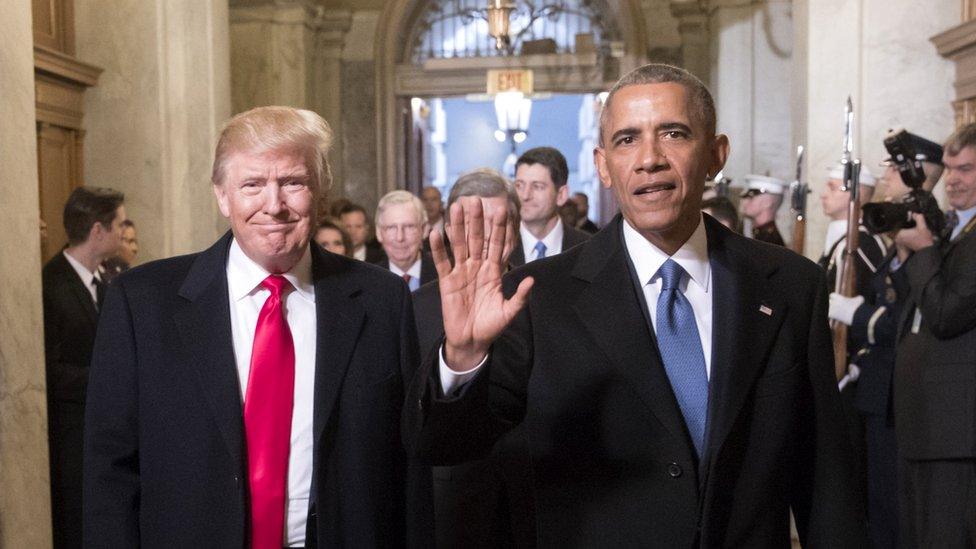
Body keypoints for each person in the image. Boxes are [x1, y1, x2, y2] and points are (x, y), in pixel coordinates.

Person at [405, 63, 866, 546]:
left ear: (716, 154)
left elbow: (825, 479)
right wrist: (461, 358)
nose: (650, 159)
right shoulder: (538, 294)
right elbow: (443, 444)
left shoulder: (790, 285)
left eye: (673, 133)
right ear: (604, 165)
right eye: (627, 140)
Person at [84, 106, 428, 548]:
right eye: (252, 185)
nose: (274, 205)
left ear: (319, 192)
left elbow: (410, 468)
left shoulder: (382, 300)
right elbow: (108, 474)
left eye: (293, 183)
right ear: (222, 196)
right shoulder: (142, 303)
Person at [827, 131, 944, 549]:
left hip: (903, 395)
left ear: (921, 173)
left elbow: (907, 314)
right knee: (874, 502)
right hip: (876, 391)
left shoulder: (929, 232)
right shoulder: (898, 233)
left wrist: (855, 315)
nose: (888, 174)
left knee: (894, 508)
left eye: (896, 167)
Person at [412, 168, 532, 548]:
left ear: (514, 228)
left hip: (540, 503)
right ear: (448, 229)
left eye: (495, 224)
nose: (482, 241)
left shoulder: (550, 295)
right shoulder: (414, 308)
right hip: (449, 505)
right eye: (469, 226)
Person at [894, 122, 976, 547]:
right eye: (949, 167)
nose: (953, 179)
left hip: (957, 429)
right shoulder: (954, 228)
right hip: (926, 423)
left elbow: (947, 314)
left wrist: (925, 251)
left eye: (966, 169)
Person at [42, 185, 126, 549]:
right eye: (119, 225)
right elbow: (47, 369)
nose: (124, 232)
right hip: (69, 439)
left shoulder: (106, 280)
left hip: (101, 433)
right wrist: (105, 381)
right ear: (97, 231)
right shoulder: (52, 284)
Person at [510, 146, 590, 265]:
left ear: (561, 195)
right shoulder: (498, 247)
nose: (525, 196)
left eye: (537, 186)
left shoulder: (589, 249)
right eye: (519, 186)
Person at [818, 163, 887, 298]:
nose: (823, 195)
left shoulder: (863, 243)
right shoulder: (843, 238)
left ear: (856, 194)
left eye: (832, 188)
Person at [375, 190, 437, 292]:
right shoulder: (367, 280)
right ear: (378, 232)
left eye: (409, 227)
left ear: (424, 230)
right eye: (391, 228)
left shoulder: (443, 276)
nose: (400, 237)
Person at [739, 174, 786, 246]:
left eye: (751, 197)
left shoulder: (770, 242)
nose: (745, 201)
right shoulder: (759, 234)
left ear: (767, 202)